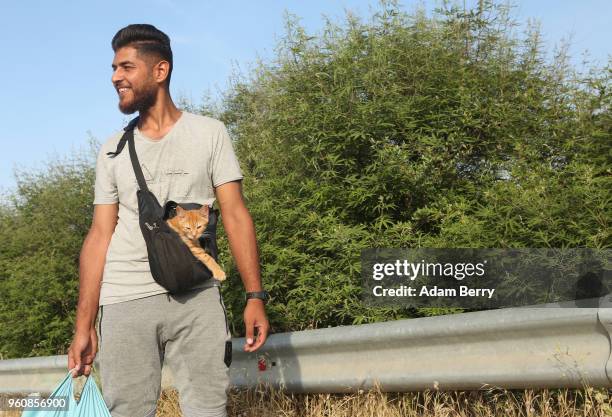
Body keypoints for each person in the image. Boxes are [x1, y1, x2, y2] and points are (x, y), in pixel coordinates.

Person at [67, 24, 270, 417]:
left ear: (160, 71)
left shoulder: (210, 133)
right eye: (113, 68)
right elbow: (98, 236)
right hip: (125, 301)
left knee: (208, 409)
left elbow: (235, 214)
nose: (115, 77)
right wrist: (84, 324)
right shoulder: (112, 150)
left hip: (196, 295)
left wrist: (255, 296)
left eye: (126, 67)